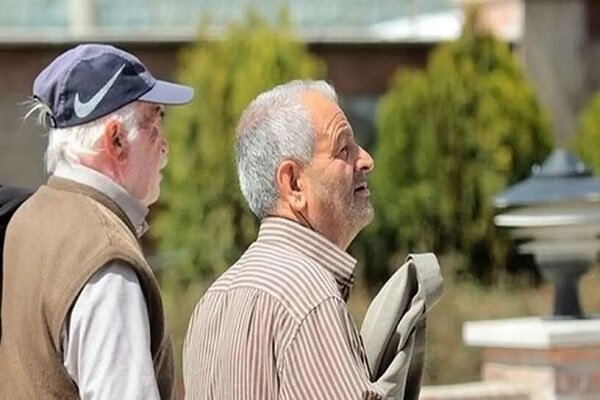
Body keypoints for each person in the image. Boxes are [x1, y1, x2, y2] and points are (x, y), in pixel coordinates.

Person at [183, 80, 443, 399]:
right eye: (343, 149)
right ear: (293, 183)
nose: (366, 159)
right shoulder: (310, 296)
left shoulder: (211, 301)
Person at [0, 43, 194, 400]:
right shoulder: (105, 256)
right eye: (154, 123)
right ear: (115, 140)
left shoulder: (29, 217)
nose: (164, 146)